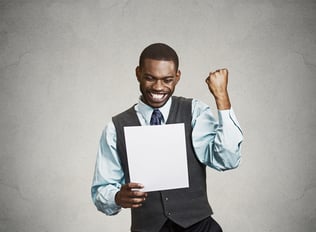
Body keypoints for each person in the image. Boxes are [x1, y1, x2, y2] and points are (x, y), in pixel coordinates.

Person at [91, 43, 243, 232]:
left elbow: (227, 160)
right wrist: (116, 197)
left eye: (167, 80)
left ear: (177, 77)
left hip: (199, 227)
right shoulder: (116, 127)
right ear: (138, 73)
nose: (158, 87)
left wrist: (222, 97)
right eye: (150, 78)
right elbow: (101, 190)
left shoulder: (194, 112)